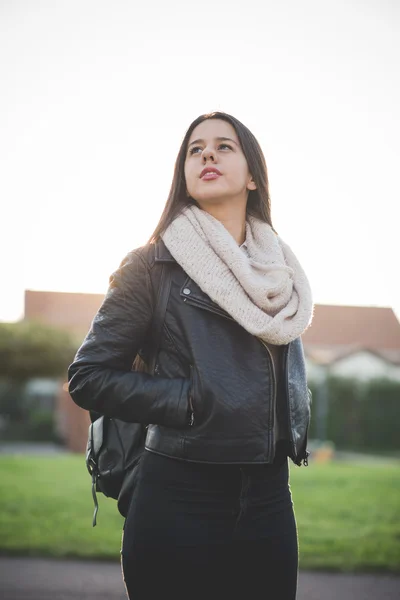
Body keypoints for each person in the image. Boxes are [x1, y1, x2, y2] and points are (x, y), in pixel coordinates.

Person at [68, 111, 313, 600]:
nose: (206, 154)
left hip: (268, 498)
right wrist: (189, 401)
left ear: (253, 177)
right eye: (195, 148)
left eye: (224, 146)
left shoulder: (280, 275)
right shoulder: (152, 265)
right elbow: (88, 377)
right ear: (183, 173)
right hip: (178, 495)